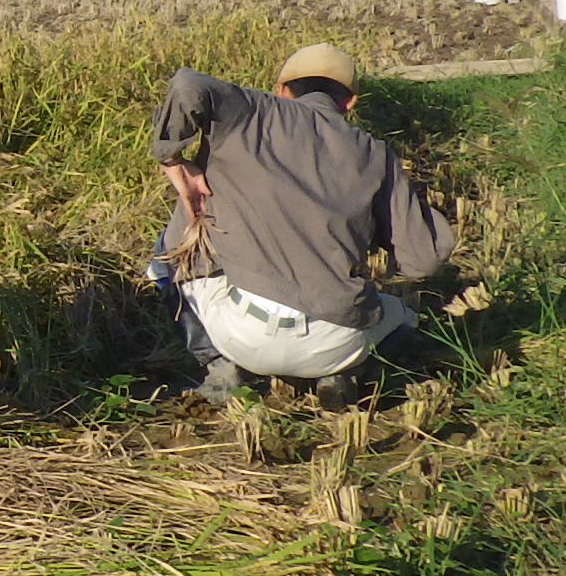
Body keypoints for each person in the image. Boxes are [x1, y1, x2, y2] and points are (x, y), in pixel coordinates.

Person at [147, 43, 453, 404]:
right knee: (402, 316)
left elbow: (187, 84)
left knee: (165, 256)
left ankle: (218, 366)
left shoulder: (250, 112)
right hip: (337, 340)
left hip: (240, 333)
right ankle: (346, 372)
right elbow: (423, 261)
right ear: (350, 102)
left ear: (281, 90)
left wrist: (172, 160)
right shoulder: (375, 153)